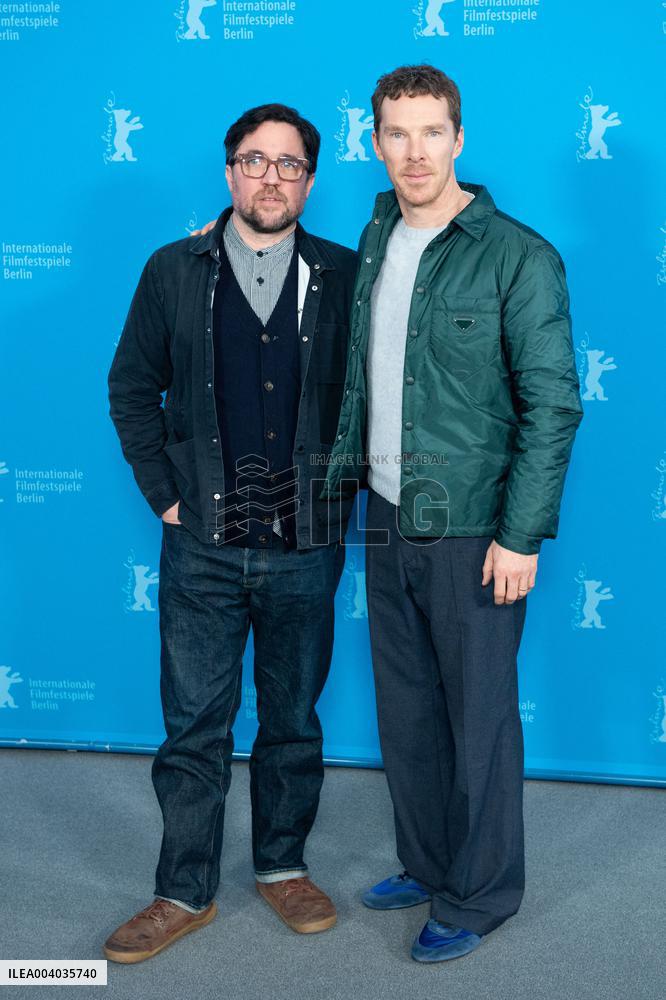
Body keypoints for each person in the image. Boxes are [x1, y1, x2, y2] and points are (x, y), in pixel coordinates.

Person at [319, 64, 584, 963]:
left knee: (478, 718)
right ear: (375, 142)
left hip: (476, 526)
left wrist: (519, 534)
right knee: (409, 710)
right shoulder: (379, 232)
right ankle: (428, 861)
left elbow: (553, 407)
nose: (414, 151)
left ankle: (477, 896)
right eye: (396, 133)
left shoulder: (520, 255)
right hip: (388, 514)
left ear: (460, 138)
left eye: (432, 132)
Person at [105, 103, 357, 963]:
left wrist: (342, 492)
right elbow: (132, 388)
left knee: (292, 721)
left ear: (310, 180)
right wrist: (163, 494)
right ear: (228, 172)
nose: (271, 178)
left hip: (305, 549)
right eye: (255, 161)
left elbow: (376, 401)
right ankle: (182, 890)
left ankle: (283, 867)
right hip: (202, 548)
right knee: (195, 728)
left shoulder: (346, 275)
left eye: (290, 164)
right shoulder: (173, 270)